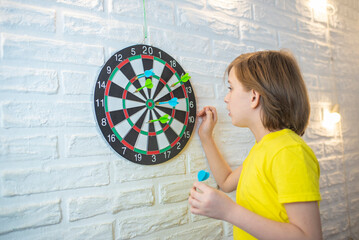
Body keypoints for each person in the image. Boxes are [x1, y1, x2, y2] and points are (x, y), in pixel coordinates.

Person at [188, 50, 322, 240]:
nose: (226, 98)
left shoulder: (289, 151)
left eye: (231, 88)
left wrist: (228, 212)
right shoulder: (263, 148)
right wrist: (206, 136)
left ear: (254, 97)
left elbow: (309, 237)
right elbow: (226, 182)